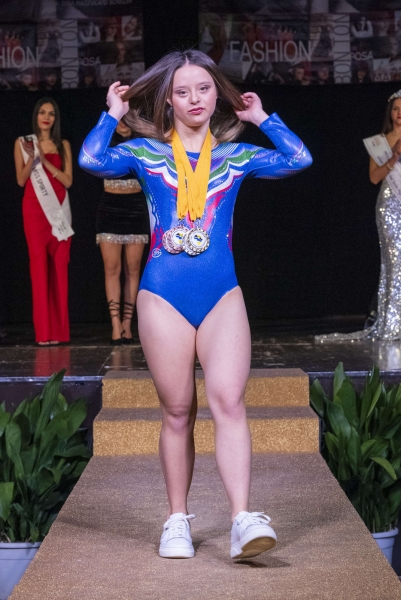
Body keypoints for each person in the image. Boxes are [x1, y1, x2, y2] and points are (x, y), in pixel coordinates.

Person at [79, 49, 312, 560]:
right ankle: (176, 520)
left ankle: (241, 519)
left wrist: (262, 118)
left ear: (216, 94)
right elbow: (92, 160)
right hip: (163, 296)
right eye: (182, 92)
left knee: (229, 401)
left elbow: (300, 159)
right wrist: (112, 115)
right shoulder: (146, 153)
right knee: (178, 410)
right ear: (168, 100)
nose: (194, 99)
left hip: (221, 295)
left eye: (203, 89)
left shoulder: (234, 157)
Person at [317, 90, 401, 342]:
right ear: (390, 113)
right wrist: (393, 157)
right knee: (395, 264)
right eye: (396, 109)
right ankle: (393, 324)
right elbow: (374, 177)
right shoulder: (380, 142)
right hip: (390, 206)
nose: (399, 113)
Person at [14, 97, 73, 345]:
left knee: (60, 268)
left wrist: (45, 161)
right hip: (34, 211)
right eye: (42, 112)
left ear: (55, 118)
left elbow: (68, 181)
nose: (46, 117)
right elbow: (21, 180)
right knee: (38, 268)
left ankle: (59, 333)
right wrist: (32, 158)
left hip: (59, 211)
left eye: (51, 113)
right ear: (36, 116)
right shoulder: (23, 142)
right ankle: (44, 334)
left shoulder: (63, 144)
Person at [96, 119, 148, 344]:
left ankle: (127, 323)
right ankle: (115, 324)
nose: (123, 123)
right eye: (120, 117)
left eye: (127, 117)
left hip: (136, 208)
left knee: (133, 269)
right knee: (111, 268)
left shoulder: (142, 143)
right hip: (110, 207)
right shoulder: (105, 141)